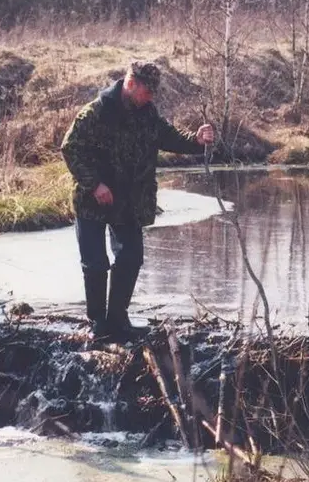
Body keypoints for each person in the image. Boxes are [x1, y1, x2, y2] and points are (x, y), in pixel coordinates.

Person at [61, 60, 216, 344]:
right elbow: (70, 148)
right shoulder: (95, 113)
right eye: (148, 91)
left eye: (154, 93)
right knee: (95, 264)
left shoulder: (147, 113)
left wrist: (196, 141)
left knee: (131, 258)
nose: (152, 97)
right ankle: (98, 322)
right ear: (131, 84)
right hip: (91, 200)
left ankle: (118, 320)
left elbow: (168, 137)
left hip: (129, 201)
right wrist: (95, 184)